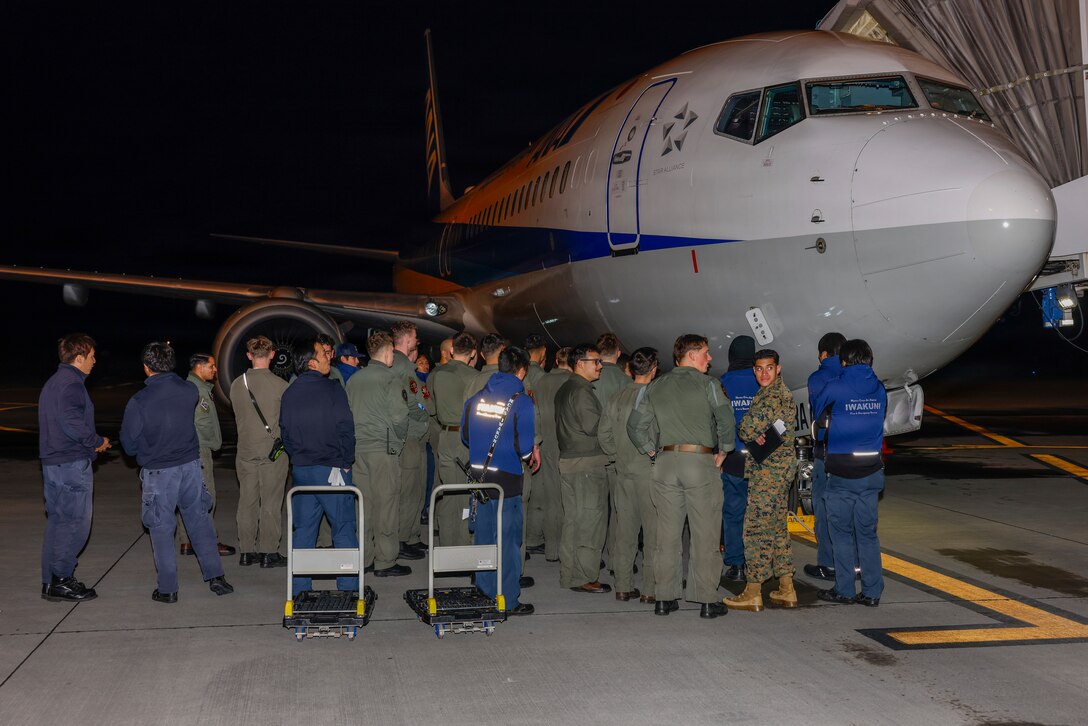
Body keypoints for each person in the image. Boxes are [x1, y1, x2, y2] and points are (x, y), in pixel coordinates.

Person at [628, 334, 734, 619]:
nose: (710, 359)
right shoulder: (709, 385)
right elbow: (726, 420)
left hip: (664, 463)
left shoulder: (655, 386)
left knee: (666, 535)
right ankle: (707, 600)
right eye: (706, 353)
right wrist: (723, 452)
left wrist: (651, 452)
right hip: (699, 462)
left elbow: (636, 425)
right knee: (705, 534)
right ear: (691, 355)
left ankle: (664, 598)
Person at [120, 342, 234, 603]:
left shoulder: (140, 401)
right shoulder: (189, 391)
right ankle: (216, 577)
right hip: (191, 468)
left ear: (147, 368)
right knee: (200, 522)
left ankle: (168, 588)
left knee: (161, 529)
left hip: (159, 473)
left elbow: (128, 443)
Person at [280, 339, 359, 596]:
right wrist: (346, 462)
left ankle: (301, 588)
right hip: (332, 470)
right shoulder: (333, 390)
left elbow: (286, 434)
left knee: (304, 529)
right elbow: (346, 429)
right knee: (344, 527)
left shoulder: (289, 393)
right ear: (312, 363)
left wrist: (300, 458)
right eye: (323, 355)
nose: (328, 358)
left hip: (302, 470)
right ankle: (348, 587)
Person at [461, 346, 536, 616]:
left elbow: (466, 437)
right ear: (522, 370)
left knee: (483, 537)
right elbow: (526, 449)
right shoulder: (521, 399)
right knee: (508, 542)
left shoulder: (477, 398)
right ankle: (508, 600)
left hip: (480, 477)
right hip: (507, 480)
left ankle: (485, 591)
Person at [39, 333, 110, 602]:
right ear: (78, 358)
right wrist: (96, 442)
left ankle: (50, 581)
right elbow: (70, 422)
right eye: (91, 357)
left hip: (53, 464)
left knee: (57, 523)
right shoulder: (71, 384)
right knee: (75, 525)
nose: (94, 361)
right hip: (70, 465)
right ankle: (62, 580)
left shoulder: (54, 382)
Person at [725, 349, 798, 612]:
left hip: (768, 473)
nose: (763, 373)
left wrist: (751, 432)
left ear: (778, 368)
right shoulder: (781, 394)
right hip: (779, 472)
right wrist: (756, 433)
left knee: (755, 530)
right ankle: (787, 588)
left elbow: (744, 429)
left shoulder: (770, 397)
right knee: (778, 529)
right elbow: (758, 431)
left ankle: (753, 591)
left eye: (769, 368)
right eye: (758, 369)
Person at [816, 339, 887, 607]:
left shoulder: (835, 386)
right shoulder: (879, 389)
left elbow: (818, 413)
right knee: (867, 534)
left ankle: (845, 589)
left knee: (842, 533)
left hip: (842, 472)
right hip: (870, 471)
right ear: (869, 361)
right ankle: (871, 592)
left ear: (843, 362)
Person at [345, 330, 413, 577]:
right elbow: (400, 416)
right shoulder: (390, 378)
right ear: (387, 352)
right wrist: (399, 441)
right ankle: (385, 560)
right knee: (387, 506)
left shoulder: (354, 379)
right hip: (383, 451)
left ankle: (365, 558)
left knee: (364, 506)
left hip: (358, 450)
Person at [598, 346, 659, 603]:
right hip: (650, 472)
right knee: (654, 534)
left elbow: (603, 434)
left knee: (625, 532)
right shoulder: (655, 397)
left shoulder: (616, 397)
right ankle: (649, 589)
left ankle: (622, 586)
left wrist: (617, 456)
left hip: (623, 472)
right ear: (654, 369)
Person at [229, 336, 290, 568]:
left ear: (249, 355)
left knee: (247, 501)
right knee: (271, 503)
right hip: (272, 453)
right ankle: (268, 552)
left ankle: (246, 551)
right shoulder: (281, 386)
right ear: (272, 354)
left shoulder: (237, 384)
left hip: (245, 450)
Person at [556, 343, 611, 594]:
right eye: (596, 361)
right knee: (590, 521)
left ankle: (570, 574)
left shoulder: (568, 387)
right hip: (586, 464)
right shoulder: (581, 391)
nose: (600, 366)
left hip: (570, 462)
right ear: (580, 364)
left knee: (574, 521)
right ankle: (584, 576)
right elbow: (594, 427)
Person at [178, 353, 234, 558]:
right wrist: (213, 443)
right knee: (207, 497)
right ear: (199, 367)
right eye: (211, 366)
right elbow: (202, 423)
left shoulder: (187, 386)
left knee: (188, 497)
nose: (215, 370)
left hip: (188, 449)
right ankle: (209, 542)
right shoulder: (199, 390)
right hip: (200, 449)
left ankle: (186, 542)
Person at [427, 331, 478, 547]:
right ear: (474, 353)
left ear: (451, 351)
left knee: (448, 491)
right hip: (467, 438)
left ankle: (447, 546)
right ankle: (464, 545)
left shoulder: (436, 375)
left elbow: (429, 407)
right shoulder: (474, 377)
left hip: (445, 436)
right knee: (467, 492)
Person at [804, 331, 846, 582]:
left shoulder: (818, 378)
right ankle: (854, 564)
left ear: (823, 354)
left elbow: (818, 411)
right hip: (855, 455)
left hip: (826, 453)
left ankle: (829, 564)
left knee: (824, 508)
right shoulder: (856, 377)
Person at [719, 336, 759, 582]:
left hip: (733, 457)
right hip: (759, 458)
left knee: (733, 512)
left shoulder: (723, 383)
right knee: (758, 513)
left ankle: (736, 565)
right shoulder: (763, 381)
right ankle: (758, 562)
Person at [389, 320, 431, 559]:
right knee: (408, 491)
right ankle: (403, 539)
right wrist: (422, 410)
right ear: (406, 340)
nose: (417, 341)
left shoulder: (397, 364)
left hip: (409, 435)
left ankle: (411, 534)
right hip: (409, 435)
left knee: (414, 489)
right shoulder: (404, 368)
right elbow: (413, 401)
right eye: (414, 337)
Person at [532, 346, 572, 562]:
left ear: (556, 360)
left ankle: (551, 549)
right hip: (566, 446)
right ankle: (566, 549)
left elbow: (535, 411)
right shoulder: (573, 382)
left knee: (550, 498)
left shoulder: (541, 381)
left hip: (545, 443)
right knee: (568, 499)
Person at [522, 334, 549, 554]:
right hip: (535, 438)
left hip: (519, 438)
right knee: (535, 492)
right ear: (542, 353)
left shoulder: (519, 371)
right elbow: (538, 411)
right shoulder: (539, 377)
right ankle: (532, 537)